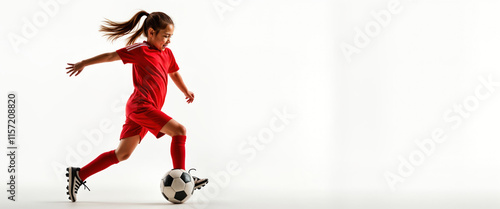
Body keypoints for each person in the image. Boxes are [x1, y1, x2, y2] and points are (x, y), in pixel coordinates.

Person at [64, 10, 208, 202]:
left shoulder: (167, 53)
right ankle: (183, 176)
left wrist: (185, 90)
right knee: (179, 131)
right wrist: (83, 63)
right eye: (165, 36)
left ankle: (79, 174)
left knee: (122, 154)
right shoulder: (140, 50)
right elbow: (109, 56)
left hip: (146, 110)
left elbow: (173, 73)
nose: (169, 41)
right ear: (151, 33)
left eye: (171, 37)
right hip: (141, 107)